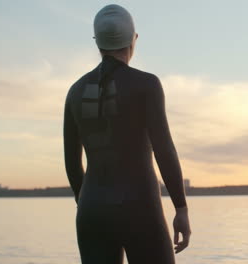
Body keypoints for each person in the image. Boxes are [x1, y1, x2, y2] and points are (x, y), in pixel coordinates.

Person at [63, 4, 191, 263]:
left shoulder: (75, 92)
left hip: (91, 210)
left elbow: (71, 162)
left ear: (97, 42)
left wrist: (87, 202)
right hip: (140, 207)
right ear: (134, 39)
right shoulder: (146, 85)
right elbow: (164, 150)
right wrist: (181, 208)